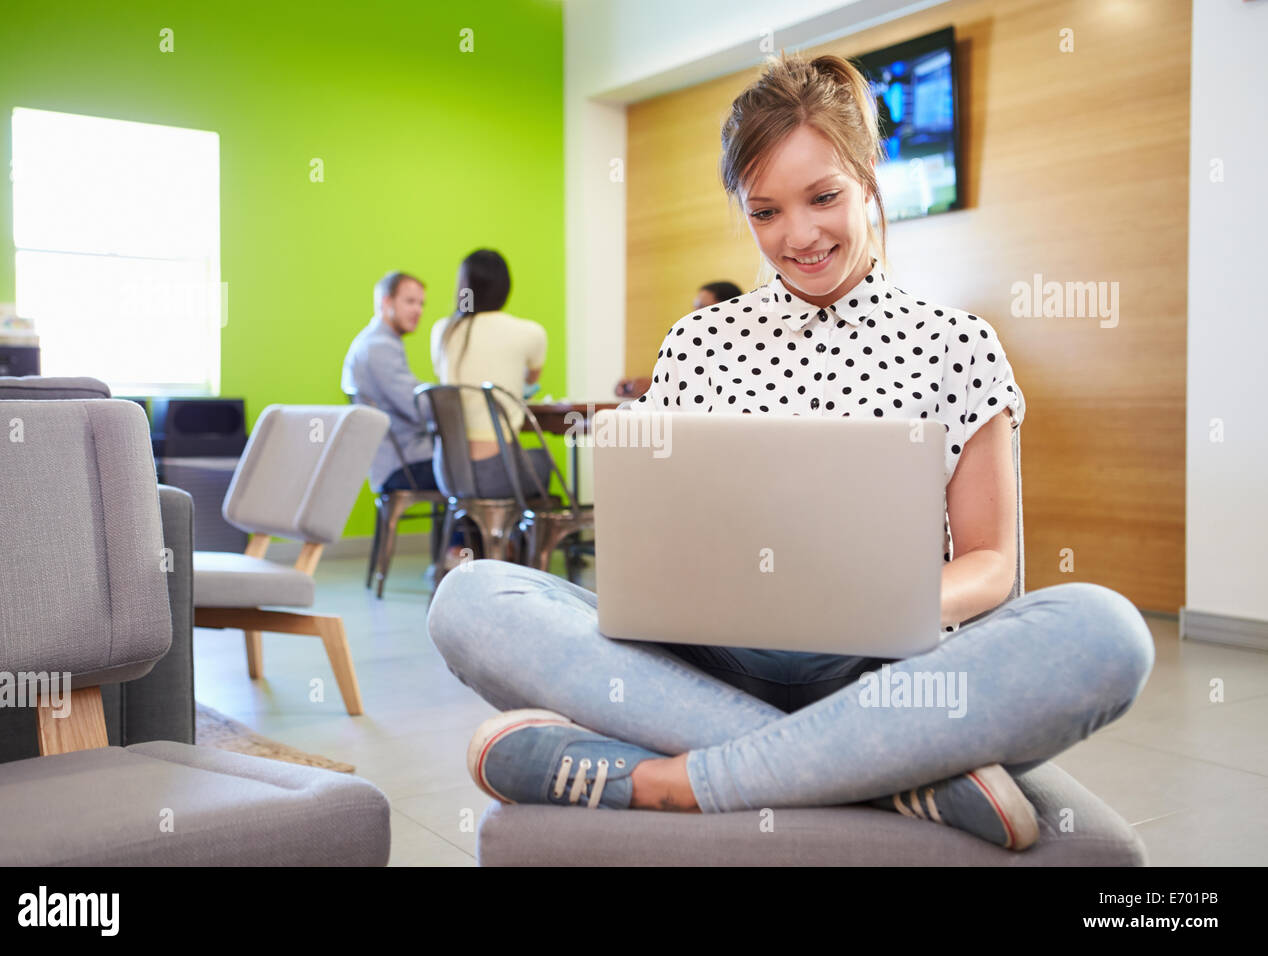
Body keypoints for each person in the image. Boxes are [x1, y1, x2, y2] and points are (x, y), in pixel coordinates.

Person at [425, 52, 1154, 851]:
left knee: (1106, 630)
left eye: (824, 198)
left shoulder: (958, 344)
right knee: (470, 598)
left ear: (869, 179)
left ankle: (678, 778)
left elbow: (991, 565)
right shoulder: (700, 341)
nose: (799, 236)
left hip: (885, 673)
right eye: (765, 212)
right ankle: (884, 778)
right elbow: (654, 542)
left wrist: (889, 604)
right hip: (708, 663)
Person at [430, 249, 554, 500]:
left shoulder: (443, 332)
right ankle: (512, 538)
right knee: (542, 460)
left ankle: (473, 535)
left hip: (448, 471)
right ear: (505, 287)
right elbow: (532, 379)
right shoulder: (529, 333)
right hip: (499, 470)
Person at [342, 270, 438, 493]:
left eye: (421, 304)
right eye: (410, 302)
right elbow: (418, 408)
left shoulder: (379, 342)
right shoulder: (379, 347)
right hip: (401, 464)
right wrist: (452, 399)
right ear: (387, 302)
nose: (418, 310)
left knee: (468, 468)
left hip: (400, 458)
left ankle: (458, 529)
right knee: (471, 472)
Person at [615, 280, 744, 398]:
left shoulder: (742, 350)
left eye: (702, 309)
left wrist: (654, 388)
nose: (693, 316)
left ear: (728, 311)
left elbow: (715, 394)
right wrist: (641, 388)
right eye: (694, 309)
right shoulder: (693, 346)